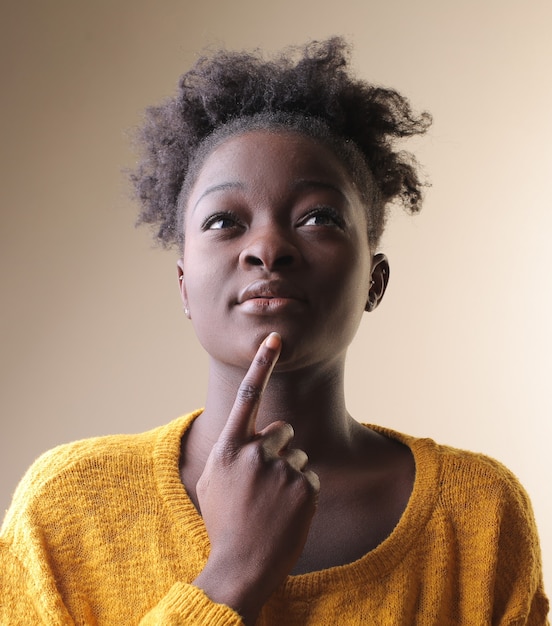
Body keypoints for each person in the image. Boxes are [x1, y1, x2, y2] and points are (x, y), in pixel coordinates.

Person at [0, 37, 548, 625]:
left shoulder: (480, 513)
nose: (268, 248)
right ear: (184, 285)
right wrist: (232, 572)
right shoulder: (65, 507)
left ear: (374, 281)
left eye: (317, 217)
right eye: (224, 221)